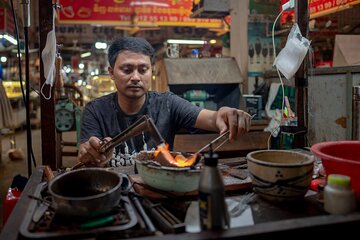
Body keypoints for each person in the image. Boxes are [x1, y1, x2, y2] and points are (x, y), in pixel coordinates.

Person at [77, 37, 252, 168]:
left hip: (159, 189)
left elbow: (213, 119)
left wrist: (225, 115)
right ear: (111, 72)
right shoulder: (95, 110)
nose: (136, 77)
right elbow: (88, 157)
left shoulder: (167, 104)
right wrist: (91, 154)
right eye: (127, 69)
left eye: (143, 70)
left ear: (151, 72)